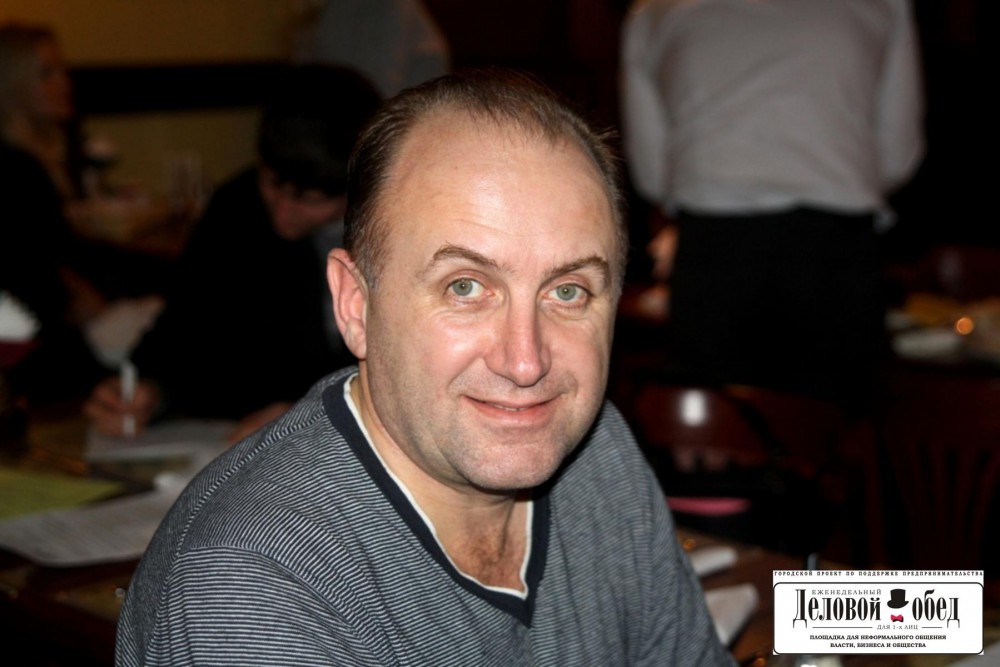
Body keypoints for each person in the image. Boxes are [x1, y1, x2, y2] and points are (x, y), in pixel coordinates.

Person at [115, 70, 733, 666]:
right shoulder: (252, 587)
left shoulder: (599, 455)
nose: (526, 362)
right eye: (465, 286)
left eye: (568, 292)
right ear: (355, 305)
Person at [621, 0, 925, 408]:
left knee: (720, 432)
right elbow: (897, 154)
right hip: (834, 250)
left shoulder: (654, 10)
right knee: (839, 431)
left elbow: (653, 174)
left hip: (715, 252)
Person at [84, 65, 381, 442]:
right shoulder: (236, 209)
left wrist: (315, 411)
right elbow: (183, 329)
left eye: (309, 200)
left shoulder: (386, 230)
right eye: (272, 184)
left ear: (357, 188)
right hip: (228, 437)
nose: (282, 212)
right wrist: (148, 392)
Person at [0, 22, 109, 402]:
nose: (64, 83)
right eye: (46, 74)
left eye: (62, 70)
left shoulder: (47, 153)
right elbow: (35, 278)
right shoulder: (17, 170)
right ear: (13, 87)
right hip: (34, 351)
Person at [293, 0, 450, 97]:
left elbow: (382, 84)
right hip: (350, 120)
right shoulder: (332, 8)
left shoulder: (386, 6)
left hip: (396, 122)